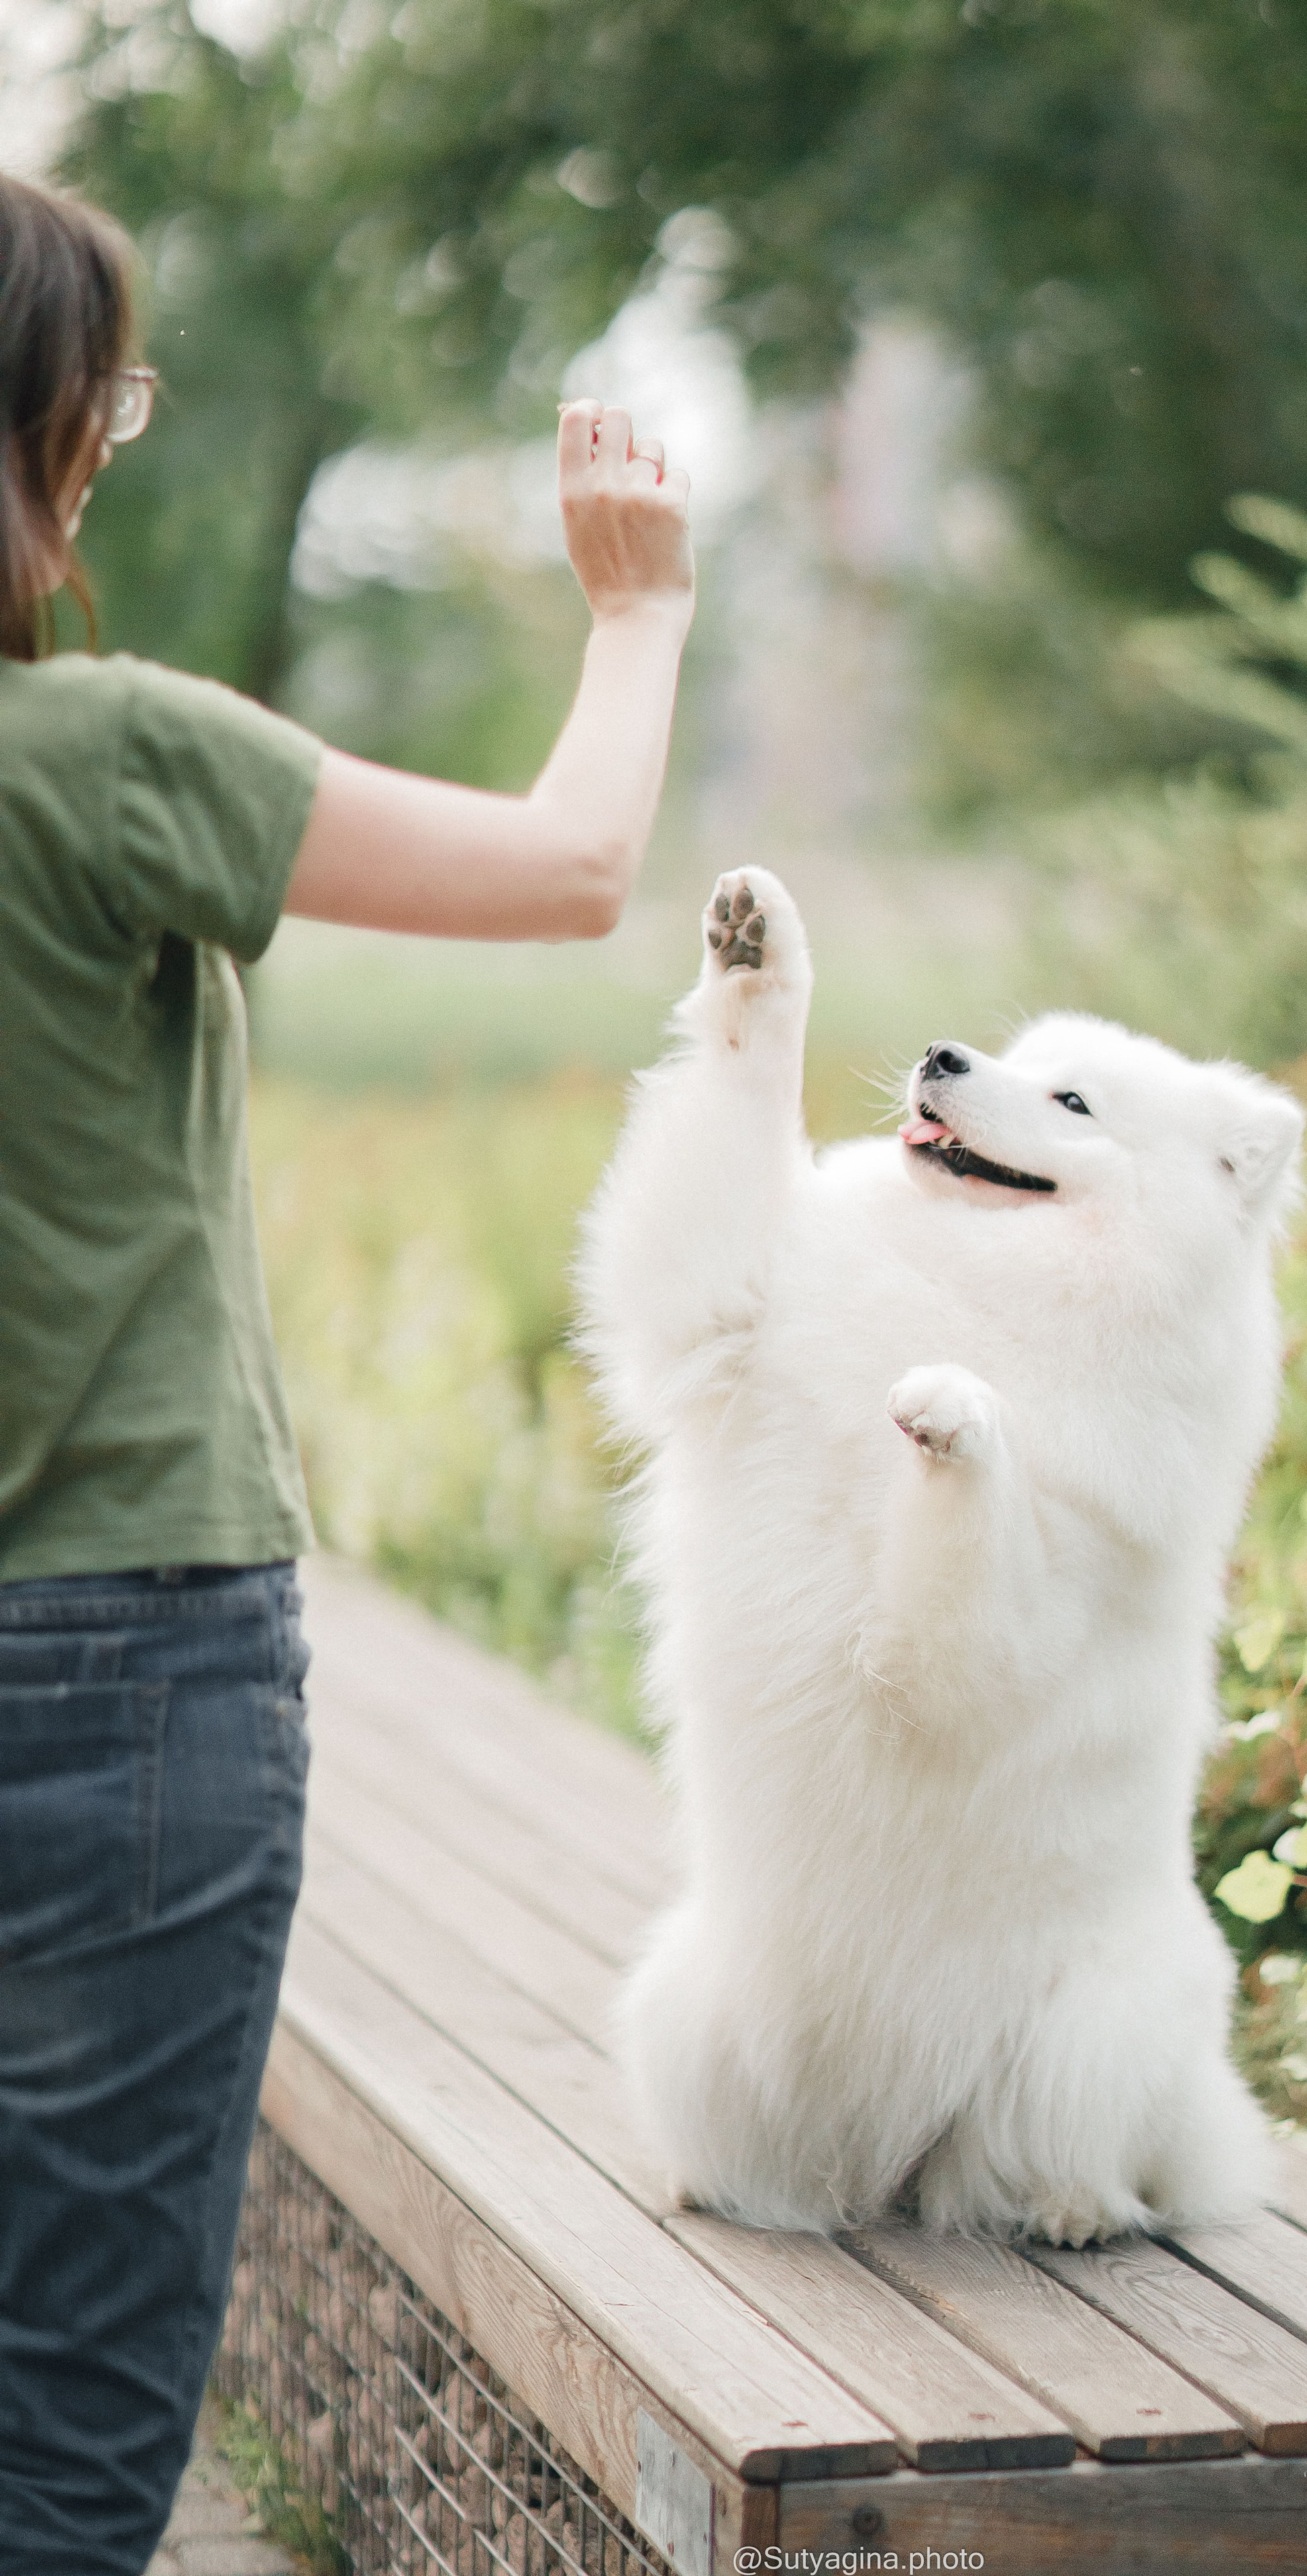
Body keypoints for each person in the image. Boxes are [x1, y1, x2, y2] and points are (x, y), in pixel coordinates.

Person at [0, 171, 695, 2573]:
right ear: (49, 430)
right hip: (122, 1676)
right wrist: (642, 611)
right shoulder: (99, 760)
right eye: (111, 400)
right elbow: (576, 871)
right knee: (70, 2448)